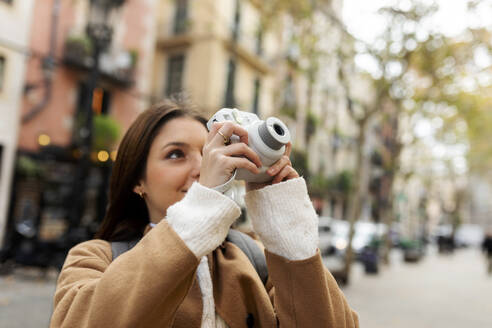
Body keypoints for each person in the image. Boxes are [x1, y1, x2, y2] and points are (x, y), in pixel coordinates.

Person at [50, 99, 359, 327]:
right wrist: (198, 212)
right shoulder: (93, 258)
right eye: (175, 155)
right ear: (137, 181)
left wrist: (287, 232)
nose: (202, 167)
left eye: (209, 151)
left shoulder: (253, 258)